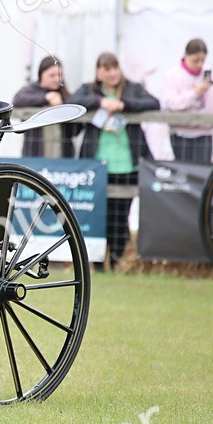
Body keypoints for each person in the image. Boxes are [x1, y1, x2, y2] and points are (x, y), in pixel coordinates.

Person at [68, 52, 160, 270]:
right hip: (98, 165)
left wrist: (123, 105)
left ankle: (117, 260)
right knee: (100, 215)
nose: (112, 73)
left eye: (115, 68)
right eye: (107, 69)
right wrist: (100, 102)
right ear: (98, 72)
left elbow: (154, 102)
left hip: (127, 165)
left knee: (122, 216)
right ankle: (98, 264)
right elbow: (72, 102)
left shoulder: (132, 88)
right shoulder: (88, 89)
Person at [160, 38, 213, 163]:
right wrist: (196, 92)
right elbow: (172, 102)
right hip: (180, 133)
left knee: (203, 172)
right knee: (183, 172)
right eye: (195, 61)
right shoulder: (172, 75)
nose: (199, 64)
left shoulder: (210, 74)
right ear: (185, 56)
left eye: (202, 60)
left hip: (205, 132)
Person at [12, 55, 79, 157]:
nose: (57, 79)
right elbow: (17, 99)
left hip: (64, 157)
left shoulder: (66, 96)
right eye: (52, 75)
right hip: (34, 154)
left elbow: (76, 130)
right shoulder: (30, 90)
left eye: (59, 75)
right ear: (41, 74)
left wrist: (62, 107)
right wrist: (45, 98)